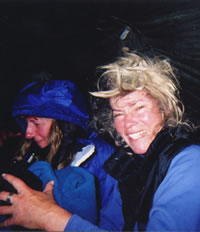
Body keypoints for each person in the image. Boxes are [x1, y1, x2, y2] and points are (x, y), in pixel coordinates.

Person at [1, 50, 200, 231]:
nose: (128, 123)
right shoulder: (127, 166)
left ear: (165, 109)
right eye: (119, 113)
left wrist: (49, 216)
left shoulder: (191, 161)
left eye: (138, 107)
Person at [0, 80, 123, 231]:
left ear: (61, 123)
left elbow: (115, 223)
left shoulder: (101, 156)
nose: (28, 133)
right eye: (26, 124)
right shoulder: (31, 153)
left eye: (36, 123)